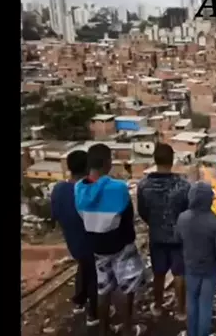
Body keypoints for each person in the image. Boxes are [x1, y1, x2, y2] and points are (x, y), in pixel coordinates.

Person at [75, 144, 146, 336]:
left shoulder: (79, 189)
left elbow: (82, 217)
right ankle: (128, 329)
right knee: (127, 288)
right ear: (107, 163)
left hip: (97, 247)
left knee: (103, 290)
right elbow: (128, 217)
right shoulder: (118, 188)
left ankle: (104, 330)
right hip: (121, 245)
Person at [137, 143, 190, 319]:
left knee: (158, 273)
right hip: (178, 236)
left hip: (156, 236)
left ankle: (158, 306)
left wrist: (154, 224)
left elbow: (142, 212)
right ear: (172, 160)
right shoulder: (183, 185)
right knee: (179, 273)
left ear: (155, 160)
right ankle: (181, 311)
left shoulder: (144, 186)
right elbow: (188, 211)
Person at [50, 150, 98, 327]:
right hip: (91, 243)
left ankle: (79, 300)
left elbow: (55, 216)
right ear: (87, 168)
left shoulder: (59, 189)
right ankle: (94, 314)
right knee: (95, 275)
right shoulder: (89, 190)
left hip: (73, 242)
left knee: (84, 265)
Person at [176, 182, 216, 336]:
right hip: (210, 271)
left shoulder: (182, 218)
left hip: (191, 268)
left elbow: (177, 239)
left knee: (191, 301)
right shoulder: (215, 223)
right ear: (209, 199)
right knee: (205, 304)